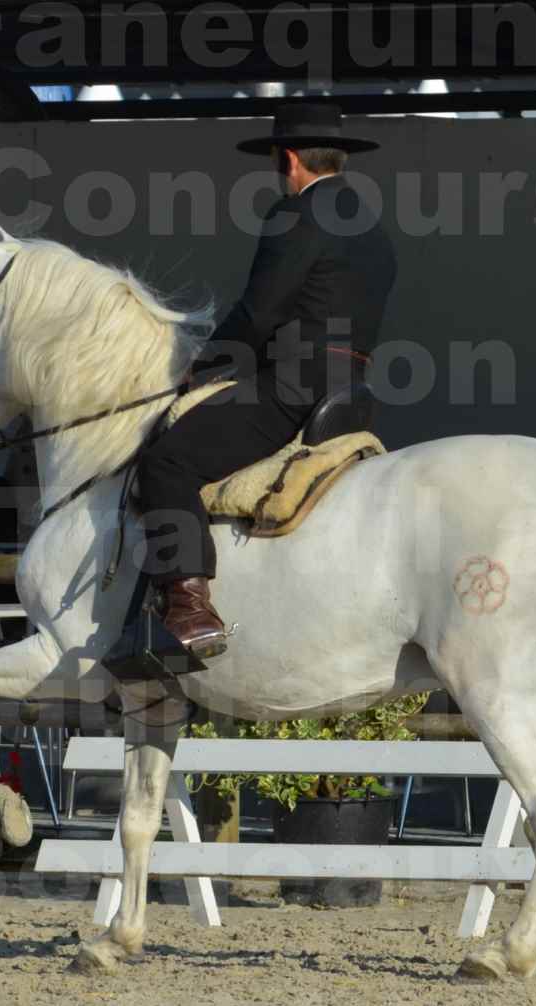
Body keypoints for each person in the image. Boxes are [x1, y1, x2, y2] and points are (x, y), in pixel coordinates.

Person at [136, 101, 397, 659]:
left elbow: (258, 312)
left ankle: (189, 608)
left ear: (289, 159)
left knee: (166, 461)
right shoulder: (373, 230)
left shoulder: (295, 216)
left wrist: (200, 366)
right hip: (351, 390)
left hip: (292, 388)